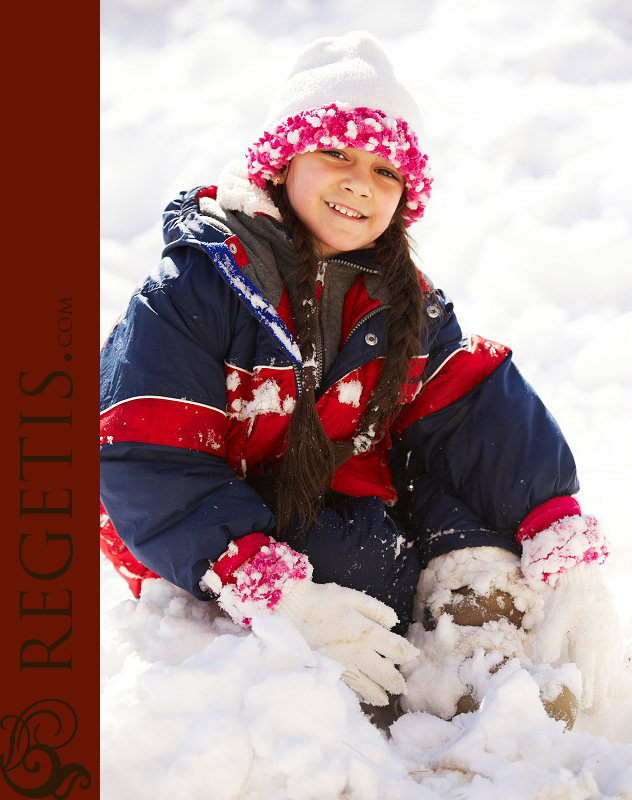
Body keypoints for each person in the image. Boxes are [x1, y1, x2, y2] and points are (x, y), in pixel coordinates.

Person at [100, 31, 620, 725]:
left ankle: (487, 654)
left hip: (337, 491)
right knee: (360, 559)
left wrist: (555, 522)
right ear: (282, 164)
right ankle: (355, 707)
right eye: (336, 154)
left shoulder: (399, 298)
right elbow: (148, 454)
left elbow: (469, 409)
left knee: (474, 520)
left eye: (385, 172)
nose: (359, 182)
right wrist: (268, 585)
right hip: (216, 532)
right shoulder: (200, 286)